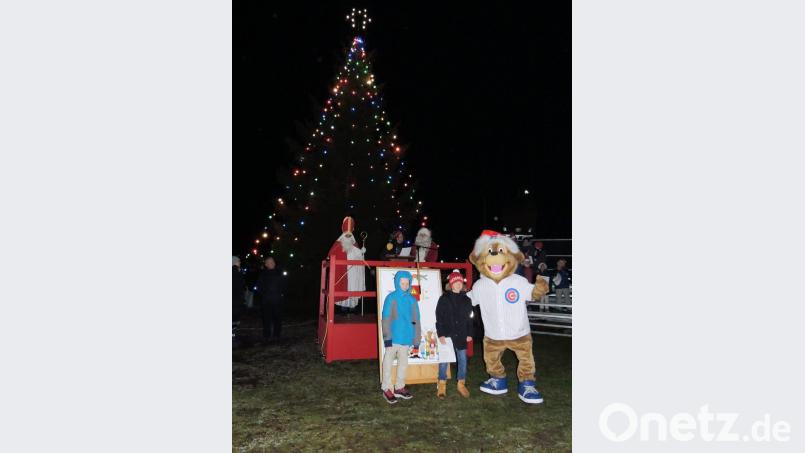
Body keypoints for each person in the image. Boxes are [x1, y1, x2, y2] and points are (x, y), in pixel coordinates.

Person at [380, 270, 421, 404]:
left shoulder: (412, 300)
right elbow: (386, 319)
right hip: (393, 338)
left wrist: (416, 340)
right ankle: (387, 387)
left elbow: (416, 320)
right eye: (402, 283)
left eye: (407, 283)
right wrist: (387, 338)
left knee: (403, 364)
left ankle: (399, 387)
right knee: (387, 363)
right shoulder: (391, 298)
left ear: (410, 283)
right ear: (397, 283)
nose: (404, 285)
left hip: (406, 339)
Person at [435, 270, 474, 399]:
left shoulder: (467, 300)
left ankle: (461, 384)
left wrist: (469, 333)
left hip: (462, 334)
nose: (458, 284)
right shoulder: (444, 299)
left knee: (462, 359)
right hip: (447, 334)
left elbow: (470, 317)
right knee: (444, 360)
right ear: (451, 284)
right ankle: (441, 384)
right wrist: (440, 333)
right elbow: (439, 317)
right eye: (455, 282)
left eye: (460, 282)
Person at [326, 216, 366, 314]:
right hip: (343, 273)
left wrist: (361, 252)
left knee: (353, 289)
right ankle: (343, 311)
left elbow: (359, 257)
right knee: (344, 289)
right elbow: (331, 255)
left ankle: (352, 310)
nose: (348, 236)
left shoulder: (355, 244)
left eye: (349, 234)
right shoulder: (338, 244)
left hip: (353, 273)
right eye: (346, 234)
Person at [255, 257, 284, 342]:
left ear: (274, 263)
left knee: (277, 318)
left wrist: (281, 294)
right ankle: (266, 335)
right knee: (266, 318)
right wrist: (264, 294)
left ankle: (277, 335)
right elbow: (258, 286)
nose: (271, 263)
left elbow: (284, 285)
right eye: (269, 262)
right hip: (266, 300)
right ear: (266, 264)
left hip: (277, 299)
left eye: (272, 262)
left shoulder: (280, 273)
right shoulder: (263, 274)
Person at [232, 256, 246, 345]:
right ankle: (232, 335)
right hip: (235, 300)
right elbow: (240, 286)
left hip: (235, 299)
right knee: (234, 318)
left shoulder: (237, 271)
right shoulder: (236, 272)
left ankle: (232, 334)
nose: (240, 263)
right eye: (239, 261)